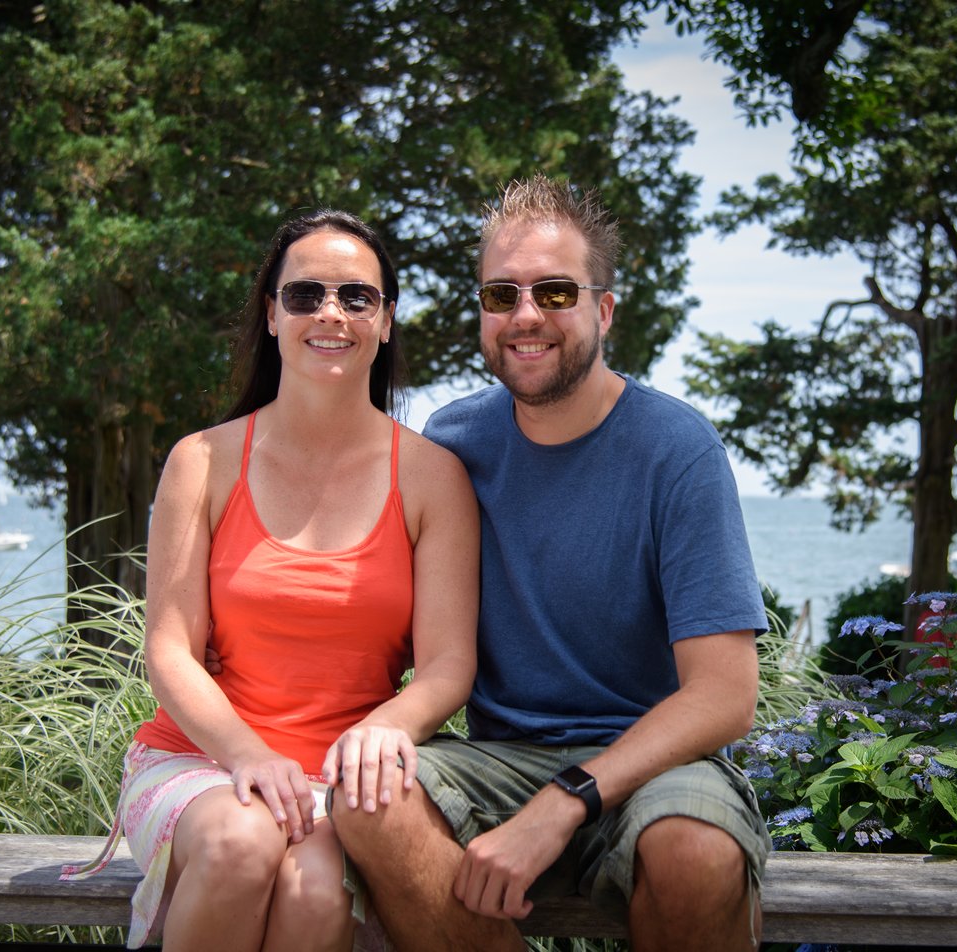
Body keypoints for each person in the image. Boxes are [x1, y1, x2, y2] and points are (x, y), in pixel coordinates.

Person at [329, 175, 772, 952]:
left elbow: (725, 697)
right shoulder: (454, 442)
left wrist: (564, 802)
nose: (525, 316)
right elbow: (402, 627)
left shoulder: (678, 450)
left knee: (696, 852)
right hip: (500, 762)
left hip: (654, 766)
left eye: (555, 291)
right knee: (368, 799)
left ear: (603, 310)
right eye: (500, 296)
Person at [61, 209, 479, 952]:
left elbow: (448, 664)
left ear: (385, 321)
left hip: (352, 784)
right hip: (203, 762)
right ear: (271, 314)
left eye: (357, 297)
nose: (330, 313)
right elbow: (170, 652)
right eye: (304, 294)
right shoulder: (202, 461)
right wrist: (249, 756)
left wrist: (382, 732)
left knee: (315, 893)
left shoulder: (432, 477)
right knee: (240, 848)